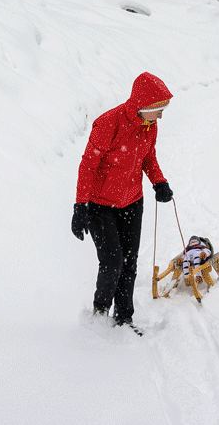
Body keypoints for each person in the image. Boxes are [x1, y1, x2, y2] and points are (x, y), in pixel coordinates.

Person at [71, 71, 175, 329]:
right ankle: (98, 315)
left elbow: (148, 157)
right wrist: (80, 205)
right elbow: (88, 166)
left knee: (129, 263)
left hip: (132, 201)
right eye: (158, 109)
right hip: (100, 205)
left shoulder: (149, 125)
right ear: (143, 105)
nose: (161, 115)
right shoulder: (109, 124)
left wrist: (158, 181)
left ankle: (124, 318)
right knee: (112, 262)